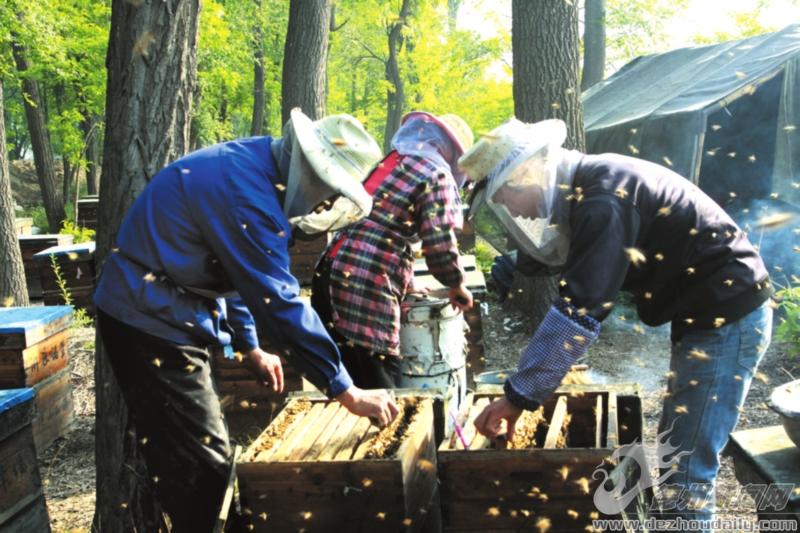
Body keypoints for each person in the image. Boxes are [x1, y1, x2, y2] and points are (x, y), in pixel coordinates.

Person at [94, 109, 400, 532]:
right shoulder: (248, 198)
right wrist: (344, 389)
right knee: (205, 470)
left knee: (198, 458)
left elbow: (232, 275)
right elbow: (280, 301)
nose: (324, 203)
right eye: (326, 190)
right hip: (149, 321)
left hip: (166, 310)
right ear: (306, 169)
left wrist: (248, 344)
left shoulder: (254, 162)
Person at [462, 118, 773, 530]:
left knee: (686, 471)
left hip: (728, 318)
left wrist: (518, 397)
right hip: (708, 318)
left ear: (528, 175)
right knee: (676, 450)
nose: (515, 212)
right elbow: (561, 255)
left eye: (507, 199)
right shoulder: (592, 185)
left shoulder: (603, 198)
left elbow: (580, 310)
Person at [311, 111, 475, 388]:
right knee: (379, 386)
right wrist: (457, 284)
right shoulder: (438, 176)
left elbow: (387, 226)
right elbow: (439, 242)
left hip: (331, 267)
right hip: (364, 281)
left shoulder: (392, 162)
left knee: (343, 380)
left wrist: (407, 284)